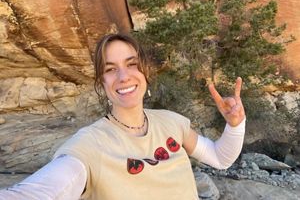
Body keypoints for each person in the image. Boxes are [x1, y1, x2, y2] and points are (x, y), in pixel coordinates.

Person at [0, 33, 245, 200]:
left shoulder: (171, 122)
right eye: (110, 69)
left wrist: (235, 125)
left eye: (131, 64)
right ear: (102, 82)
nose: (123, 76)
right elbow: (42, 191)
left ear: (144, 72)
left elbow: (219, 158)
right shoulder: (89, 144)